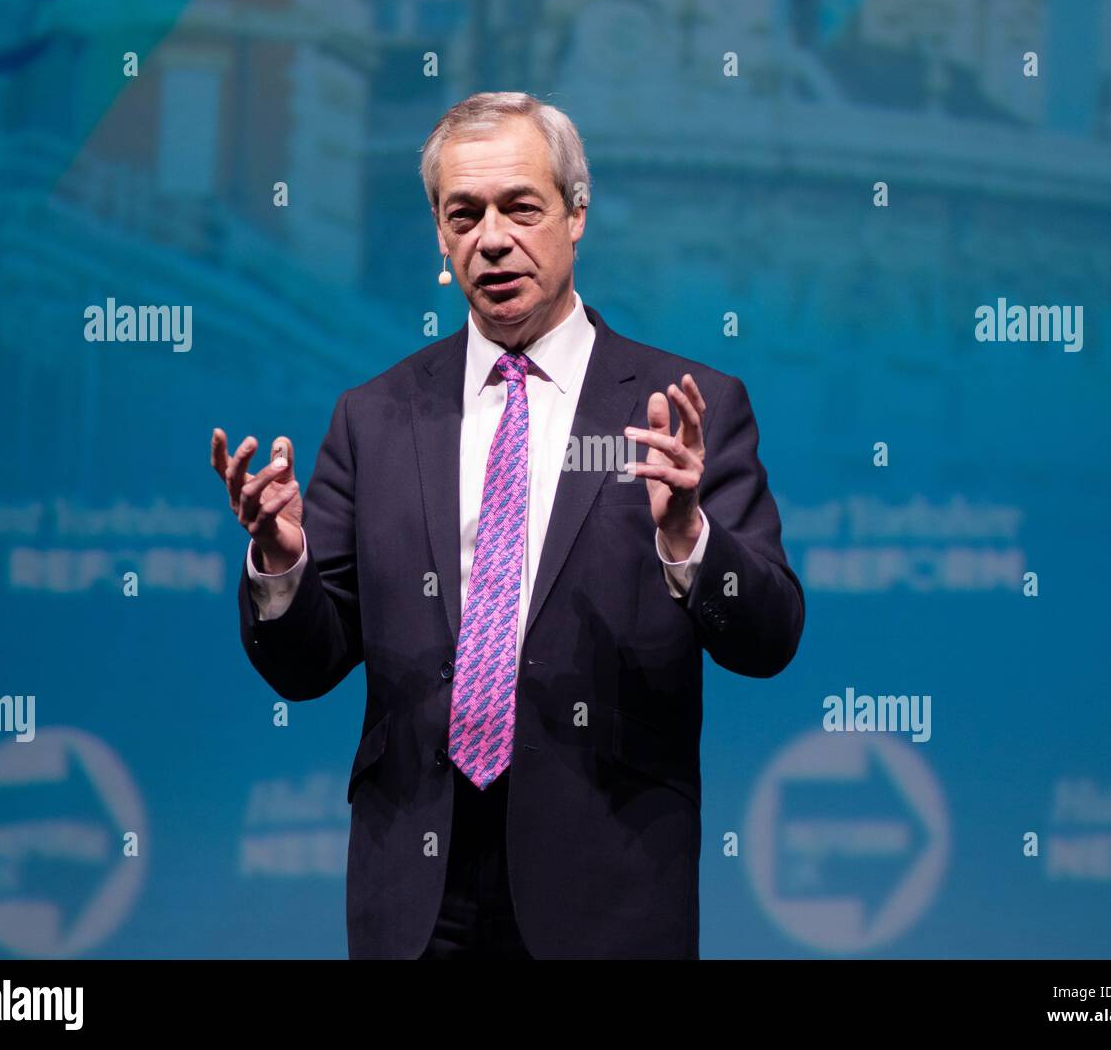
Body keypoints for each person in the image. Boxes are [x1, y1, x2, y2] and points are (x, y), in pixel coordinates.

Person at [210, 91, 805, 959]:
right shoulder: (374, 420)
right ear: (442, 242)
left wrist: (689, 537)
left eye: (521, 207)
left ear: (576, 214)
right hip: (417, 898)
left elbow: (770, 637)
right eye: (465, 215)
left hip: (610, 890)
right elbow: (307, 666)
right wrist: (281, 564)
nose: (493, 238)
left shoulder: (687, 406)